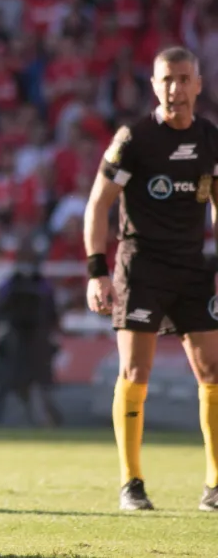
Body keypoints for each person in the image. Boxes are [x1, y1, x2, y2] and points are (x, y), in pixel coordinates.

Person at [84, 46, 218, 512]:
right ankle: (131, 483)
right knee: (135, 371)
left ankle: (215, 485)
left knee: (212, 371)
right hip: (141, 266)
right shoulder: (134, 139)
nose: (175, 89)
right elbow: (98, 204)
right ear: (154, 86)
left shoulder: (210, 139)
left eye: (183, 79)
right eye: (166, 80)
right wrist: (97, 271)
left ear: (198, 84)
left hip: (193, 268)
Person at [0, 242, 63, 428]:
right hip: (12, 344)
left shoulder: (43, 285)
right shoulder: (9, 284)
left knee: (38, 387)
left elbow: (53, 315)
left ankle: (48, 423)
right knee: (2, 386)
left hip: (37, 343)